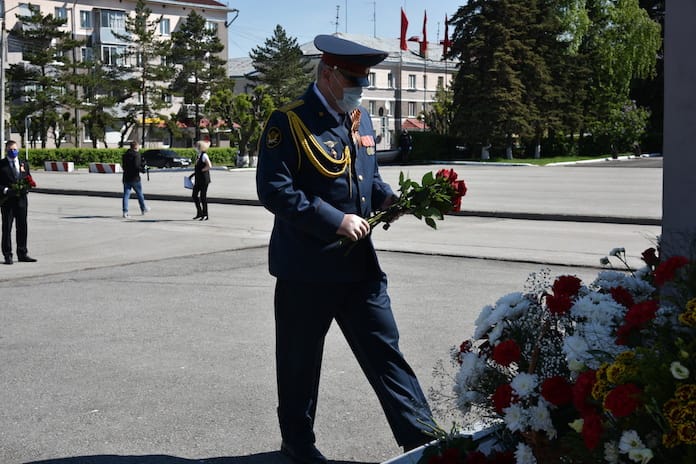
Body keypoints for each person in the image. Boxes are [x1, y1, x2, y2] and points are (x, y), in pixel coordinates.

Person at [256, 35, 436, 464]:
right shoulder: (290, 122)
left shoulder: (361, 120)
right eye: (355, 78)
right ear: (328, 73)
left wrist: (388, 200)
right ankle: (297, 444)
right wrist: (334, 220)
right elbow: (274, 190)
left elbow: (366, 180)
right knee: (300, 363)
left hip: (359, 268)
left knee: (386, 352)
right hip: (306, 269)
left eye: (365, 78)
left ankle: (425, 442)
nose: (362, 86)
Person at [0, 140, 37, 264]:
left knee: (22, 227)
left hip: (21, 200)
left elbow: (28, 178)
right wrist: (5, 190)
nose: (13, 151)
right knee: (7, 228)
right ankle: (7, 255)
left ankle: (22, 253)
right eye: (10, 149)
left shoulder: (23, 163)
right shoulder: (1, 164)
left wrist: (27, 187)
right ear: (6, 150)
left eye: (15, 149)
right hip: (7, 201)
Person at [121, 141, 150, 219]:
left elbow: (123, 166)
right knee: (139, 194)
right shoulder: (137, 155)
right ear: (136, 147)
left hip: (126, 177)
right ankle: (143, 209)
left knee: (126, 195)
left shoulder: (125, 155)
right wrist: (143, 170)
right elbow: (137, 166)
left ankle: (125, 212)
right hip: (135, 178)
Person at [188, 140, 212, 220]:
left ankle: (205, 214)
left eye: (197, 146)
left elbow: (209, 166)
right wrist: (192, 175)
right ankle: (199, 213)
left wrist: (201, 170)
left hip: (204, 180)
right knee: (194, 195)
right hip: (198, 179)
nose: (195, 148)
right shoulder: (198, 156)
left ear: (200, 147)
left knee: (203, 197)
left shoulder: (204, 155)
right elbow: (197, 168)